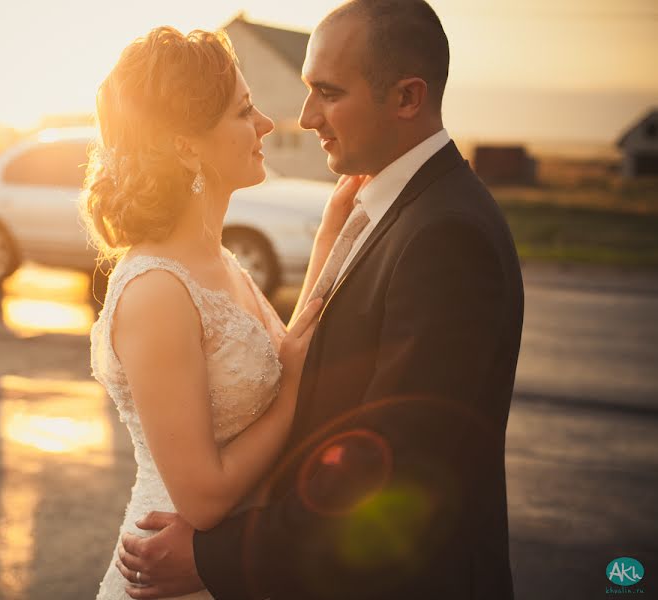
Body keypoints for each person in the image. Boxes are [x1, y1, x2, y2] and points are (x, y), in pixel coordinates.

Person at [116, 1, 524, 599]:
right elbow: (304, 355)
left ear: (408, 98)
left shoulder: (445, 236)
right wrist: (334, 240)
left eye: (328, 93)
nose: (302, 118)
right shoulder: (397, 213)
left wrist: (213, 557)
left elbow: (396, 473)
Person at [85, 26, 361, 600]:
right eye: (243, 111)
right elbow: (204, 497)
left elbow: (283, 351)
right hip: (176, 574)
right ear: (186, 143)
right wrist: (294, 394)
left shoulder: (220, 261)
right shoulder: (157, 290)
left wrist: (333, 231)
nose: (264, 123)